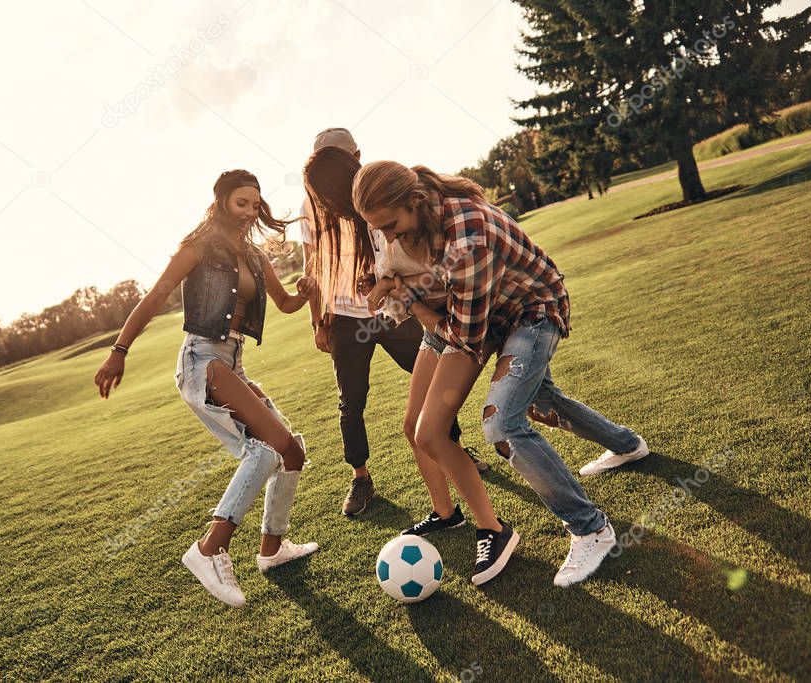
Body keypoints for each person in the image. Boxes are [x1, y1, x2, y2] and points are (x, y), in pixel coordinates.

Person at [352, 160, 647, 587]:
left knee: (502, 423)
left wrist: (408, 301)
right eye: (379, 229)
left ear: (414, 201)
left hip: (531, 313)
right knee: (541, 404)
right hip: (486, 317)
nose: (388, 237)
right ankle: (627, 445)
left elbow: (463, 336)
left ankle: (591, 528)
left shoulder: (466, 237)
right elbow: (437, 292)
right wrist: (395, 291)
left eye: (391, 225)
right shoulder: (423, 221)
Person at [93, 170, 319, 608]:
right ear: (220, 202)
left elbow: (286, 303)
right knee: (266, 449)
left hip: (232, 362)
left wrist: (305, 291)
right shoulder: (195, 249)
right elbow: (154, 298)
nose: (250, 212)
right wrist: (118, 350)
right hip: (202, 361)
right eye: (241, 203)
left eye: (256, 204)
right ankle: (209, 549)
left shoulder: (254, 256)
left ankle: (272, 551)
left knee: (291, 451)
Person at [300, 128, 486, 518]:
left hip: (395, 310)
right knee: (351, 401)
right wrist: (318, 320)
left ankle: (450, 448)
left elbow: (417, 258)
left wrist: (392, 287)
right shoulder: (313, 208)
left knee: (435, 385)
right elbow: (313, 264)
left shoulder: (379, 195)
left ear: (355, 157)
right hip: (347, 317)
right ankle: (361, 477)